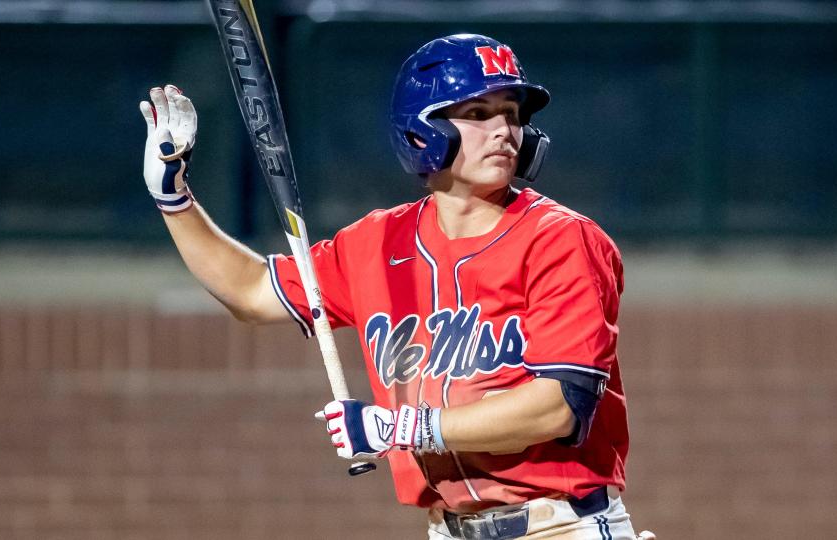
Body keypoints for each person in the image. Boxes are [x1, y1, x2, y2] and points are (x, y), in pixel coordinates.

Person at [140, 33, 654, 540]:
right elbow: (251, 292)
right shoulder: (374, 243)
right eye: (478, 114)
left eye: (512, 114)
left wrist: (400, 428)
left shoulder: (562, 240)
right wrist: (174, 199)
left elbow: (557, 407)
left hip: (560, 525)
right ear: (420, 131)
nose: (504, 130)